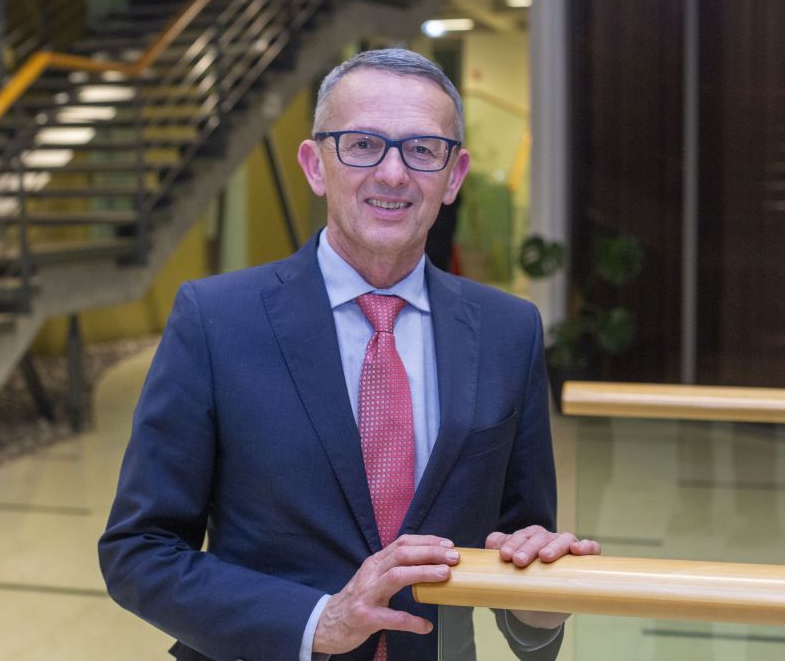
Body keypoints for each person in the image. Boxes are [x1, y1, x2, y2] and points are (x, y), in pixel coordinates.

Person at [99, 48, 600, 661]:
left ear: (454, 176)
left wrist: (539, 606)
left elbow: (517, 548)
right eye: (362, 144)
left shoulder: (508, 331)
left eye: (422, 150)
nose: (392, 174)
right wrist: (318, 622)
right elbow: (139, 550)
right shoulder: (216, 320)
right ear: (316, 165)